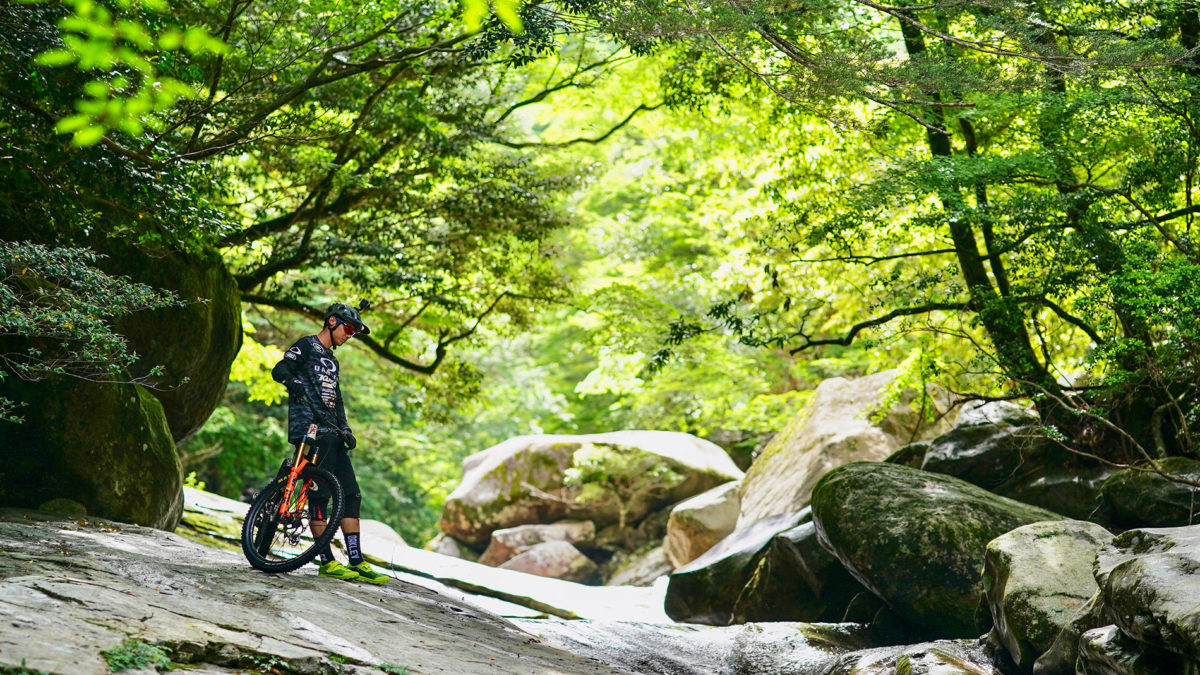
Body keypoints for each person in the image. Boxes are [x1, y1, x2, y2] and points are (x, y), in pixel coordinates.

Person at [270, 301, 389, 584]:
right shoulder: (308, 346)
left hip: (332, 429)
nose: (350, 335)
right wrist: (293, 383)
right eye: (348, 328)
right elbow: (280, 369)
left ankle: (357, 560)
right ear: (332, 322)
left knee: (351, 494)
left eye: (354, 332)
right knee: (321, 493)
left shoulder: (333, 362)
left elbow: (337, 400)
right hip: (310, 427)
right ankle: (327, 560)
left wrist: (346, 427)